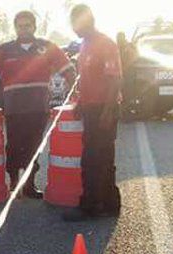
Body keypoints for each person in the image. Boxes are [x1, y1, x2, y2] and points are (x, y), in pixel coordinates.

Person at [0, 11, 72, 198]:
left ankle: (29, 185)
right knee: (14, 145)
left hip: (39, 108)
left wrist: (75, 90)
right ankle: (13, 182)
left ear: (34, 27)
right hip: (14, 108)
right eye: (20, 26)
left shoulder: (47, 47)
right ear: (15, 28)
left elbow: (68, 70)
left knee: (33, 146)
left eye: (27, 25)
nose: (24, 29)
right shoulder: (4, 49)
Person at [65, 4, 122, 219]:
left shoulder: (105, 43)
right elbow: (87, 78)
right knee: (94, 157)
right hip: (90, 107)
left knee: (97, 158)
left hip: (103, 107)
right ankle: (104, 203)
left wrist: (108, 111)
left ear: (89, 21)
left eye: (77, 23)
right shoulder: (85, 45)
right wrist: (81, 102)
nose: (74, 28)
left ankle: (95, 205)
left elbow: (115, 79)